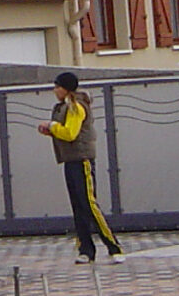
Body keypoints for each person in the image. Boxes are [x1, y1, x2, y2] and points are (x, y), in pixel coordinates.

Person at [38, 72, 122, 265]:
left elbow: (70, 133)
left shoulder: (76, 107)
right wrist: (51, 131)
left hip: (82, 160)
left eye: (57, 86)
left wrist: (52, 126)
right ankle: (85, 249)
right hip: (70, 160)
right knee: (78, 206)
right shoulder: (64, 107)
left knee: (89, 204)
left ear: (66, 88)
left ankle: (113, 246)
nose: (54, 90)